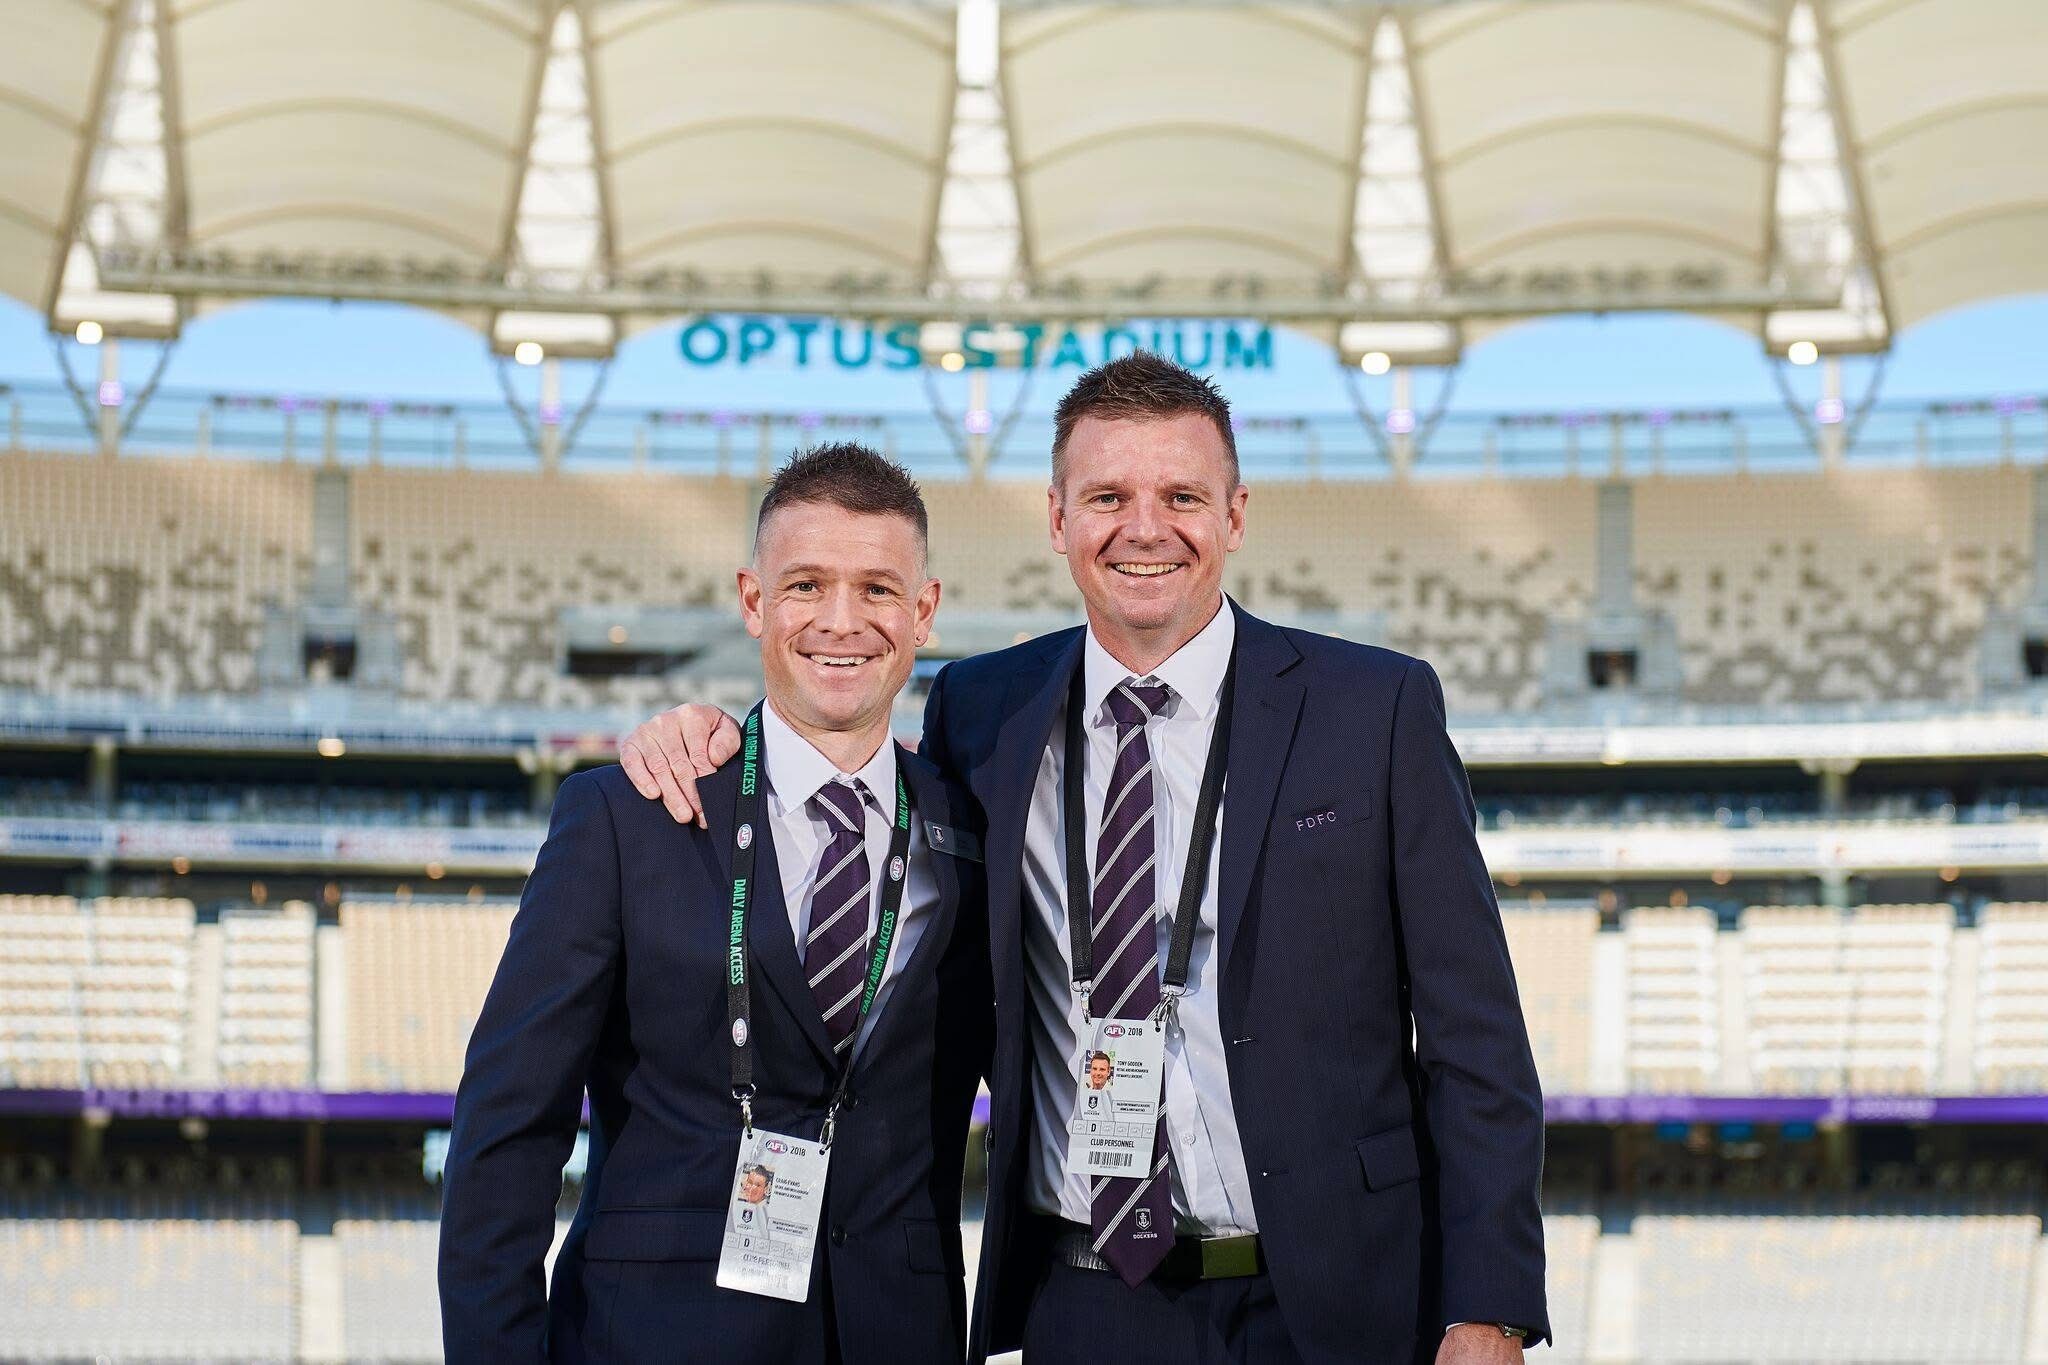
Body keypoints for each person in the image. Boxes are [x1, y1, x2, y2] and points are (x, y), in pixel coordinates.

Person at [620, 354, 1550, 1364]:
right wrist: (714, 742)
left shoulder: (1373, 708)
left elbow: (1475, 1040)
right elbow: (838, 775)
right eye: (1107, 497)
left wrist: (1487, 1310)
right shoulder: (981, 710)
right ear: (1057, 518)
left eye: (1181, 496)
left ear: (1235, 515)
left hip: (1339, 1297)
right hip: (1087, 1302)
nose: (1144, 528)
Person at [440, 443, 992, 1365]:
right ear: (753, 600)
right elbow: (508, 1130)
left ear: (924, 610)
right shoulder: (628, 816)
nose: (842, 620)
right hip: (649, 1339)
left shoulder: (972, 830)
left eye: (878, 589)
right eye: (806, 585)